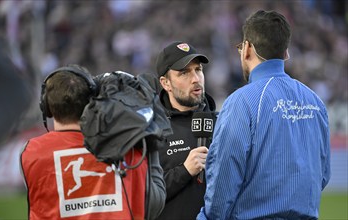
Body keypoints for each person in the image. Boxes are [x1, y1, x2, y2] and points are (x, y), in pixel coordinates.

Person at [197, 10, 331, 219]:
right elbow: (323, 175)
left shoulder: (242, 102)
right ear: (286, 53)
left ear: (248, 48)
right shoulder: (315, 102)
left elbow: (223, 180)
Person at [20, 64, 166, 220]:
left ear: (46, 107)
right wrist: (150, 137)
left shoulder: (31, 152)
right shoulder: (127, 147)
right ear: (91, 102)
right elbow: (153, 206)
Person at [154, 41, 217, 220]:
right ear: (166, 83)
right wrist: (185, 171)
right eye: (184, 73)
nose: (196, 79)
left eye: (198, 70)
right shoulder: (150, 131)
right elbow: (143, 195)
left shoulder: (222, 123)